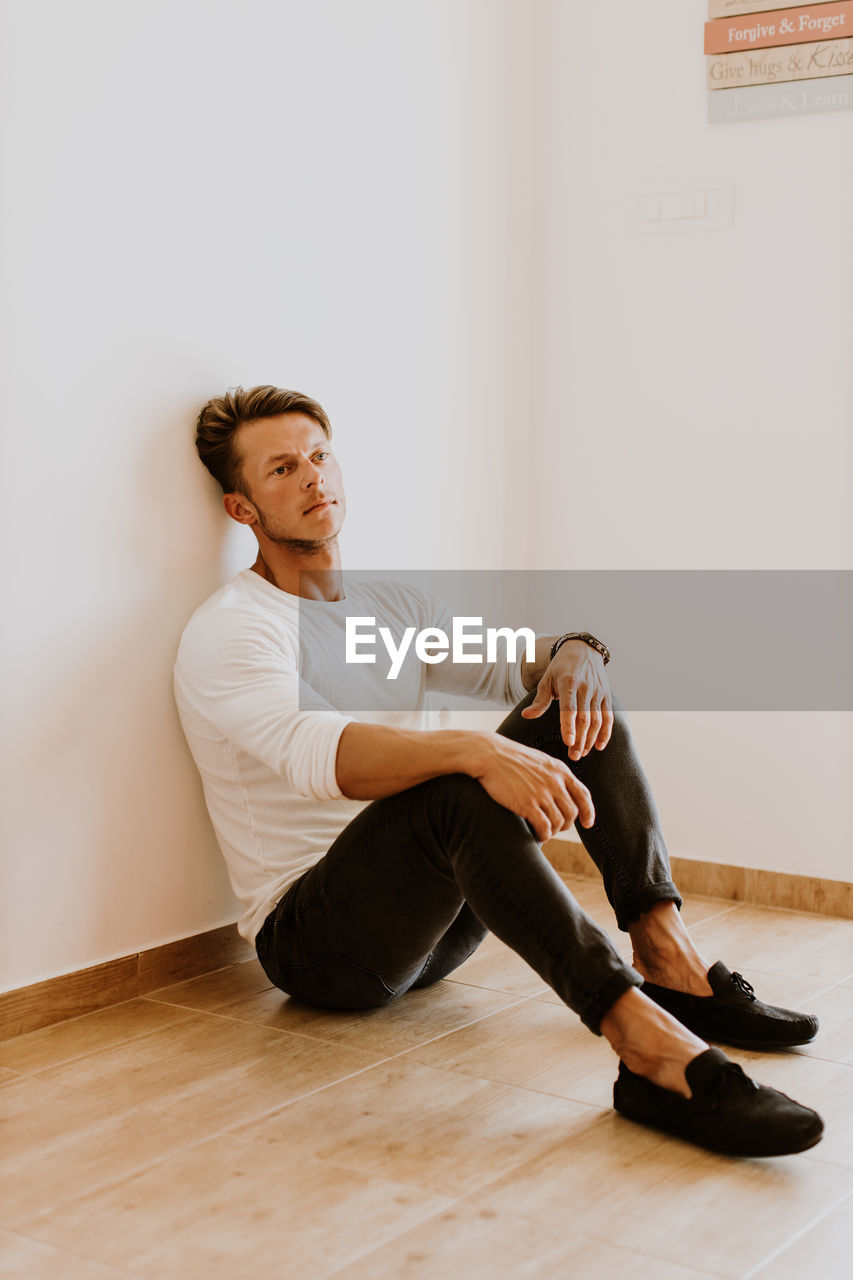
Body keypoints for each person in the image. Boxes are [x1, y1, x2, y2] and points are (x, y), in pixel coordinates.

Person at [174, 384, 824, 1158]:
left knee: (572, 703)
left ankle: (669, 961)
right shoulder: (233, 632)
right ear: (242, 509)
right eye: (282, 469)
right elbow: (327, 758)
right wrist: (477, 751)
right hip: (322, 949)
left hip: (436, 931)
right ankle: (649, 1051)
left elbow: (527, 663)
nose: (314, 478)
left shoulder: (392, 610)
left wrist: (579, 653)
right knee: (456, 786)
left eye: (319, 456)